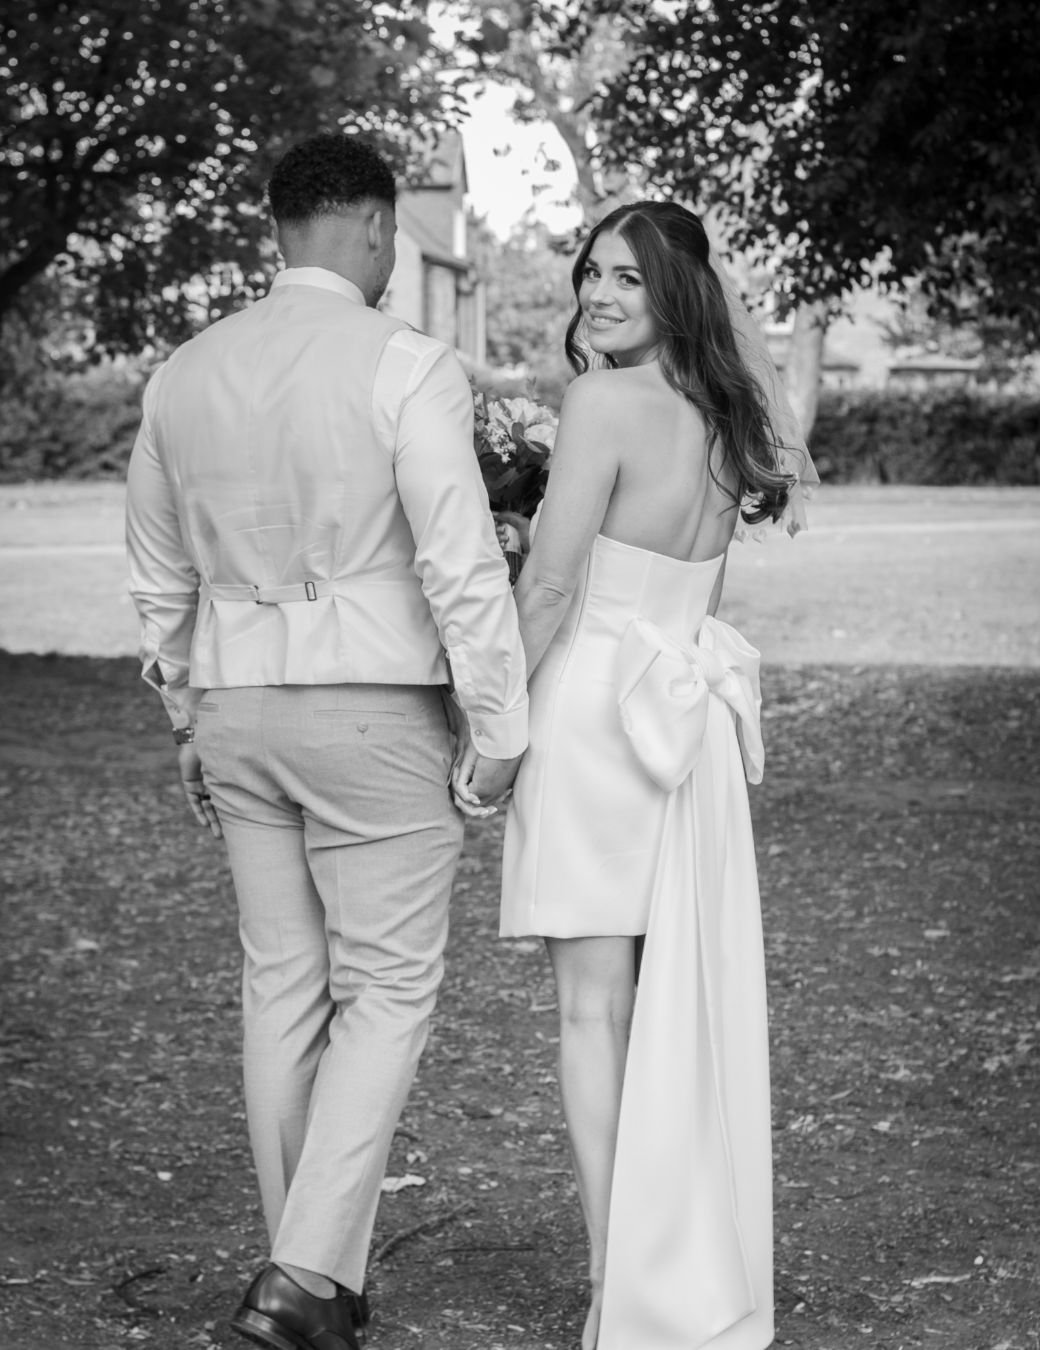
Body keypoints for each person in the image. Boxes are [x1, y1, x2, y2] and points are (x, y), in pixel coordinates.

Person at [126, 133, 528, 1350]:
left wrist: (188, 713)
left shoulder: (182, 375)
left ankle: (310, 1278)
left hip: (240, 707)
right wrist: (500, 723)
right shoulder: (407, 363)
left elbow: (155, 579)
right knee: (389, 987)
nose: (391, 254)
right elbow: (459, 561)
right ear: (366, 226)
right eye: (392, 235)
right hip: (369, 709)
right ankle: (301, 1282)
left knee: (283, 987)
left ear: (276, 226)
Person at [454, 201, 817, 1350]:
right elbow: (699, 595)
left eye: (625, 279)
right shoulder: (731, 415)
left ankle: (620, 1281)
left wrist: (494, 734)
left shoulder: (602, 402)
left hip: (602, 717)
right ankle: (681, 1262)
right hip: (687, 724)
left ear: (675, 294)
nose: (597, 297)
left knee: (593, 1013)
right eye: (590, 275)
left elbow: (552, 590)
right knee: (678, 1009)